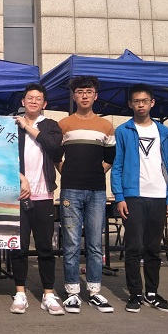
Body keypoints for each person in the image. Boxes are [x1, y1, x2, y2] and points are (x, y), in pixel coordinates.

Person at [111, 83, 168, 313]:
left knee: (153, 248)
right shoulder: (123, 131)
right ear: (130, 104)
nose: (141, 105)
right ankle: (135, 293)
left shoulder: (163, 132)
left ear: (152, 103)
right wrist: (119, 196)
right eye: (136, 101)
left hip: (159, 196)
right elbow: (117, 165)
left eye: (144, 101)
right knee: (133, 247)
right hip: (133, 196)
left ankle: (152, 292)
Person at [56, 76, 116, 314]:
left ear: (95, 96)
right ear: (74, 96)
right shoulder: (64, 124)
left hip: (97, 191)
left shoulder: (106, 126)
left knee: (94, 243)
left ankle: (94, 291)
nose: (84, 95)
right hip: (70, 190)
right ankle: (72, 293)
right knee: (71, 243)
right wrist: (68, 172)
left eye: (88, 92)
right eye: (80, 92)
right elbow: (55, 156)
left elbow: (110, 158)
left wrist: (96, 173)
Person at [10, 83, 65, 316]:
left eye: (38, 98)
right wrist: (20, 177)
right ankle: (20, 293)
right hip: (18, 194)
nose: (33, 101)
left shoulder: (51, 125)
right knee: (19, 247)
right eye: (29, 98)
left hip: (44, 195)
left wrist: (28, 127)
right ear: (23, 101)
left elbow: (53, 146)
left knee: (45, 247)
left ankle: (48, 294)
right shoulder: (11, 124)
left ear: (45, 103)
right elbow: (3, 156)